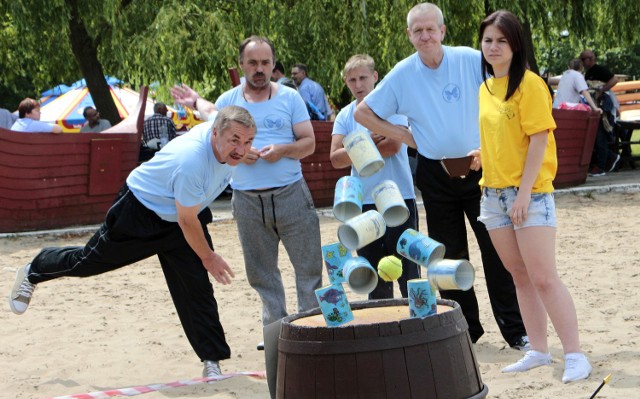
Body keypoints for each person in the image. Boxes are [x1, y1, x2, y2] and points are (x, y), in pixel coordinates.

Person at [8, 105, 256, 379]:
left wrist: (198, 104)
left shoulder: (225, 135)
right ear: (214, 134)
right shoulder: (192, 162)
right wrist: (209, 257)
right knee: (88, 262)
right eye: (235, 140)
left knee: (196, 287)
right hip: (140, 211)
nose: (241, 149)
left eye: (248, 142)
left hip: (179, 218)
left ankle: (212, 359)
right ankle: (35, 269)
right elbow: (187, 222)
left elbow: (213, 111)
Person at [354, 2, 528, 350]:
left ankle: (516, 331)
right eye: (417, 30)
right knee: (449, 256)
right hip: (435, 172)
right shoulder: (402, 74)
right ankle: (466, 330)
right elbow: (363, 112)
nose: (425, 35)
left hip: (482, 168)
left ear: (443, 31)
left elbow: (509, 92)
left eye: (431, 28)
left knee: (497, 252)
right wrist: (402, 134)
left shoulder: (470, 58)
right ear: (409, 35)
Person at [171, 36, 323, 332]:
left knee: (309, 270)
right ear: (241, 64)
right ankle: (277, 336)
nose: (259, 69)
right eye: (252, 62)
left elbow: (309, 144)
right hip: (247, 200)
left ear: (273, 65)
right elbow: (213, 136)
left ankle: (312, 333)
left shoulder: (290, 98)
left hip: (291, 194)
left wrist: (282, 150)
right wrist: (238, 155)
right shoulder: (229, 100)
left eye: (265, 62)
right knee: (262, 275)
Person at [477, 10, 591, 383]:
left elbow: (540, 141)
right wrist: (483, 156)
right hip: (492, 195)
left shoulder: (530, 85)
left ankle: (574, 354)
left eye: (501, 41)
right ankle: (539, 351)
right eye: (488, 40)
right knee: (519, 276)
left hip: (530, 194)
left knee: (544, 278)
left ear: (515, 45)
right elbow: (502, 137)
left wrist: (524, 194)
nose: (493, 47)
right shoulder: (485, 88)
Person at [330, 54, 419, 299]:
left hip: (399, 197)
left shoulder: (392, 106)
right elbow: (335, 159)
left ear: (375, 77)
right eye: (351, 80)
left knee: (408, 268)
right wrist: (368, 141)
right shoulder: (345, 116)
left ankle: (418, 324)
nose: (358, 85)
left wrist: (354, 147)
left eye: (362, 78)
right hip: (363, 201)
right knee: (374, 271)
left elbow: (393, 146)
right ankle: (383, 326)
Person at [580, 50, 621, 176]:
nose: (582, 62)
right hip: (595, 106)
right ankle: (610, 158)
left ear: (590, 59)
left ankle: (601, 166)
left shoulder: (600, 70)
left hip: (603, 107)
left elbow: (614, 79)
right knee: (596, 136)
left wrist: (602, 89)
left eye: (583, 59)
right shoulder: (588, 73)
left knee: (600, 135)